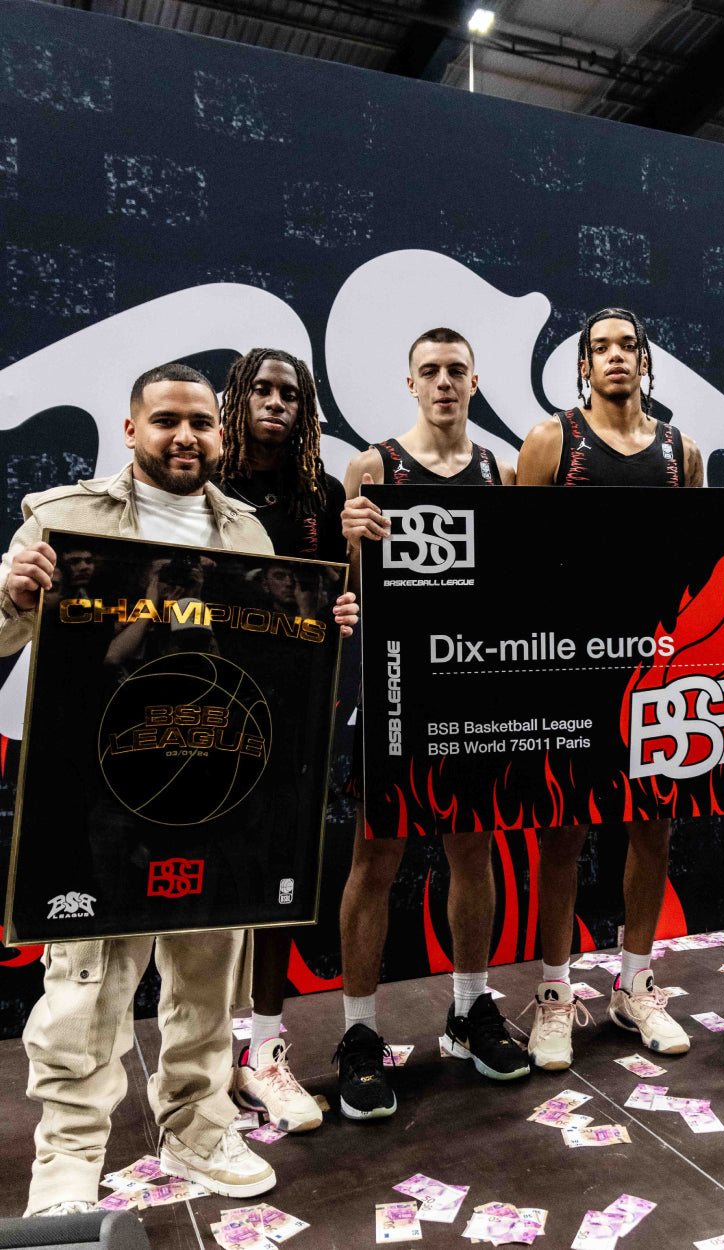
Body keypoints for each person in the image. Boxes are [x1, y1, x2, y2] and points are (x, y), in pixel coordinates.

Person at [1, 362, 347, 1215]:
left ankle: (198, 1129)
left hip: (214, 783)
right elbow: (6, 635)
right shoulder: (63, 519)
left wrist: (325, 630)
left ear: (220, 435)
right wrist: (10, 598)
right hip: (100, 787)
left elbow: (268, 662)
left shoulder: (247, 533)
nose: (185, 436)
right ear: (132, 430)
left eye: (200, 423)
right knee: (89, 983)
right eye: (166, 421)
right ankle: (68, 1162)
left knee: (207, 975)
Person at [335, 327, 525, 1120]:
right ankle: (358, 1033)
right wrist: (353, 542)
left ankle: (469, 1010)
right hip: (393, 689)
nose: (443, 382)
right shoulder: (373, 467)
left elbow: (514, 580)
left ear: (474, 383)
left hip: (470, 687)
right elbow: (349, 593)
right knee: (375, 859)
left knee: (472, 851)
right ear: (409, 383)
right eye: (430, 371)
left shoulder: (499, 471)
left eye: (455, 371)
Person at [515, 306, 703, 1070]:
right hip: (570, 664)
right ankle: (555, 994)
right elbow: (518, 561)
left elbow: (696, 563)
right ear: (584, 365)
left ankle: (635, 983)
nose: (616, 356)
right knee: (563, 833)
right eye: (602, 347)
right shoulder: (550, 441)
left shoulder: (682, 451)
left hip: (656, 666)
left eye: (629, 345)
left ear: (646, 361)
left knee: (653, 828)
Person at [218, 348, 348, 1134]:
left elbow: (339, 596)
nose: (275, 402)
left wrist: (349, 602)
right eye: (261, 390)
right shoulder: (199, 483)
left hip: (292, 711)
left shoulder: (322, 494)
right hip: (201, 708)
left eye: (289, 393)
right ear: (237, 399)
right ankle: (200, 1060)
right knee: (200, 882)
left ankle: (263, 1050)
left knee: (279, 880)